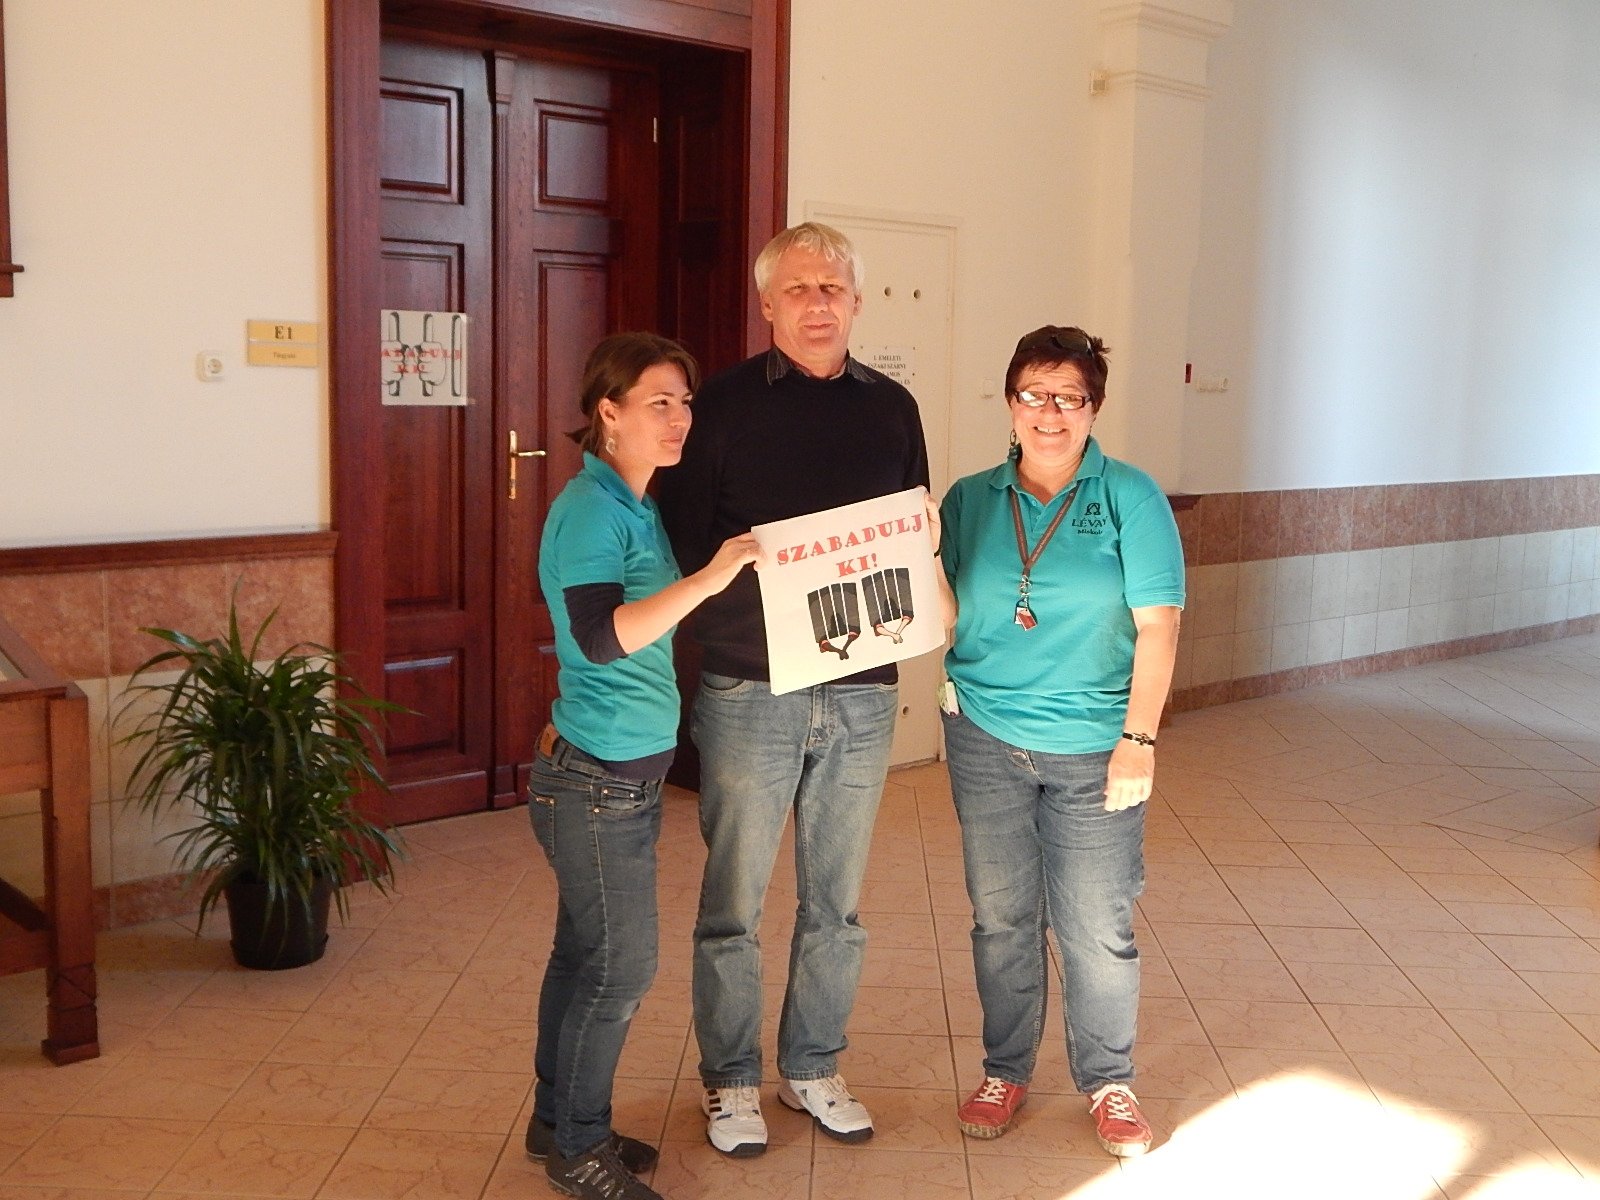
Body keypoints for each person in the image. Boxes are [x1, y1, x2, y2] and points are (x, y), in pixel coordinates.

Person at [657, 222, 930, 1156]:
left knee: (837, 905)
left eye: (834, 288)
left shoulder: (894, 408)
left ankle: (812, 1065)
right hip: (750, 685)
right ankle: (731, 1081)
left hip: (862, 686)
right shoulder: (721, 406)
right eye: (801, 288)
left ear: (857, 301)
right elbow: (685, 545)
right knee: (732, 902)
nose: (819, 304)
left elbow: (911, 527)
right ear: (767, 302)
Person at [935, 326, 1184, 1157]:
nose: (1050, 413)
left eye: (1069, 397)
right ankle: (1005, 1069)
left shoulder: (1130, 497)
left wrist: (1139, 739)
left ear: (1093, 408)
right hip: (983, 734)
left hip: (1094, 744)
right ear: (1010, 404)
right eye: (1034, 395)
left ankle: (1108, 1081)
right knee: (1001, 918)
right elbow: (945, 611)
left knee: (1095, 925)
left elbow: (1159, 626)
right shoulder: (970, 499)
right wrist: (912, 556)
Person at [528, 332, 759, 1200]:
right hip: (594, 782)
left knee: (582, 956)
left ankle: (556, 1122)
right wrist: (708, 579)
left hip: (614, 778)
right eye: (659, 402)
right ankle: (580, 1149)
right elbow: (599, 636)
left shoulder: (630, 501)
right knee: (619, 969)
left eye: (685, 401)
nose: (679, 418)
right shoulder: (592, 509)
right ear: (608, 412)